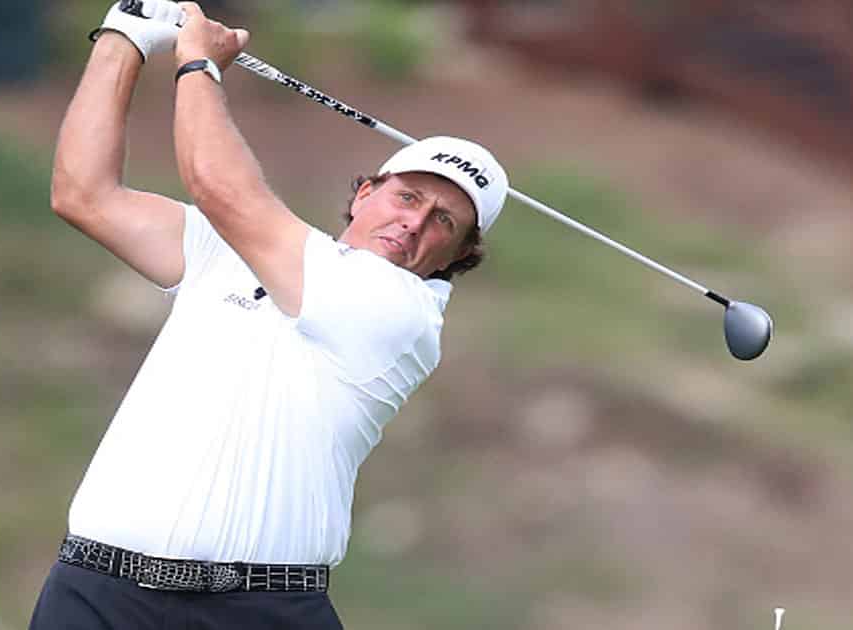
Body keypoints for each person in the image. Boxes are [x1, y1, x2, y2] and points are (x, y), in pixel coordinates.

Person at [29, 1, 509, 628]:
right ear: (366, 193)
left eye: (443, 219)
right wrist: (124, 37)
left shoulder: (401, 313)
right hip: (96, 591)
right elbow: (83, 193)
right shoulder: (231, 253)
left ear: (460, 255)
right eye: (407, 196)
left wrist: (199, 63)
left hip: (256, 609)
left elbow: (221, 187)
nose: (412, 222)